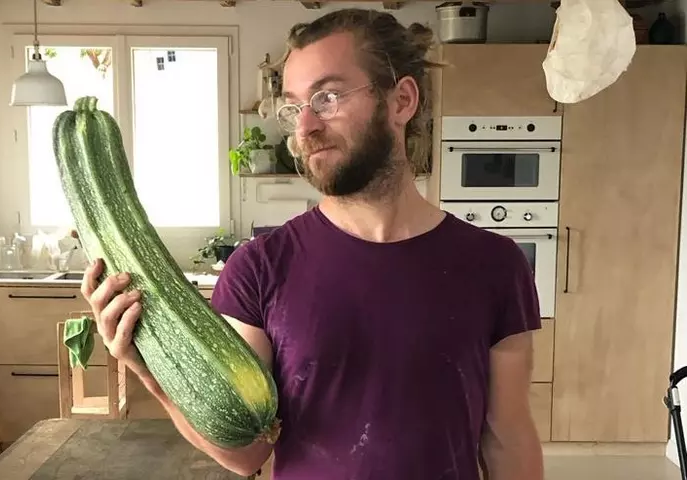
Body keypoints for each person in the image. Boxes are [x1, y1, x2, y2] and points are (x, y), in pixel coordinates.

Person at [80, 8, 544, 480]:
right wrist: (148, 368)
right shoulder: (259, 268)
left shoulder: (494, 265)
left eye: (327, 97)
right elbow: (245, 453)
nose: (303, 129)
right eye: (293, 108)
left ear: (401, 100)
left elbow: (507, 437)